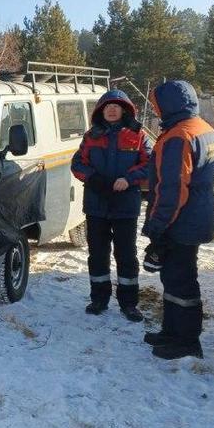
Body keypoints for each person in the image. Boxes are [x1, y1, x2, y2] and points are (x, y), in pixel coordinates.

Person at [141, 80, 214, 360]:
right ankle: (171, 331)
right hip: (198, 214)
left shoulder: (178, 137)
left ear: (170, 104)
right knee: (175, 277)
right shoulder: (203, 128)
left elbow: (172, 190)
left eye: (157, 105)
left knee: (181, 279)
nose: (155, 110)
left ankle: (186, 340)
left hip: (181, 221)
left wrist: (157, 230)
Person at [72, 89, 152, 322]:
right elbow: (77, 163)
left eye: (117, 106)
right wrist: (92, 178)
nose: (112, 109)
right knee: (97, 254)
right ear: (100, 110)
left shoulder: (138, 135)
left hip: (126, 205)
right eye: (108, 106)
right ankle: (99, 299)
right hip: (96, 205)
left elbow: (149, 164)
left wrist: (128, 179)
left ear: (126, 110)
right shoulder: (91, 136)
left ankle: (129, 303)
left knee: (126, 255)